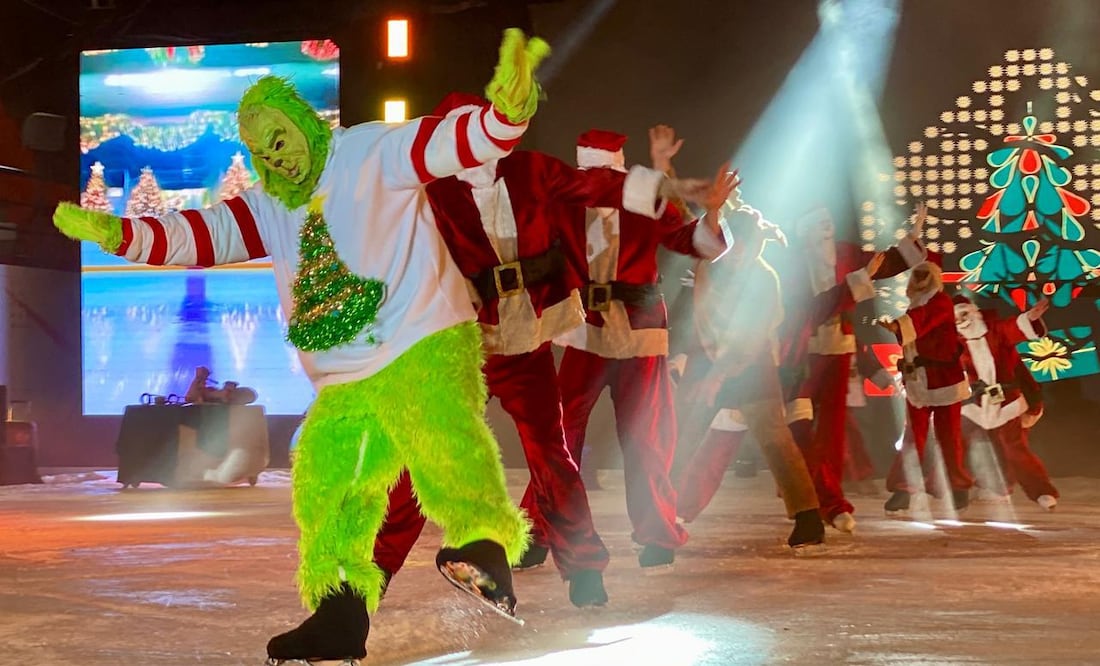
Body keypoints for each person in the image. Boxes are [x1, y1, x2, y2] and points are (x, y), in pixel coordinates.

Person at [53, 29, 549, 664]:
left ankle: (483, 547)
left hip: (421, 336)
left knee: (443, 435)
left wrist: (506, 113)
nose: (275, 157)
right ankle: (340, 611)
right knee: (328, 481)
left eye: (280, 139)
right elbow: (193, 236)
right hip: (345, 378)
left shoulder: (371, 151)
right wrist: (117, 235)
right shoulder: (268, 205)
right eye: (261, 150)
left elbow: (454, 141)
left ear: (305, 126)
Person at [365, 94, 721, 607]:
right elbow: (395, 248)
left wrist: (669, 186)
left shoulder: (531, 170)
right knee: (427, 453)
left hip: (528, 339)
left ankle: (584, 568)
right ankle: (374, 569)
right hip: (462, 344)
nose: (470, 143)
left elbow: (598, 185)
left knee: (554, 454)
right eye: (457, 134)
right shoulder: (432, 191)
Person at [551, 126, 735, 569]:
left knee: (645, 437)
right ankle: (543, 528)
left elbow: (698, 244)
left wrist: (711, 214)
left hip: (640, 331)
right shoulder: (566, 202)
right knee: (558, 433)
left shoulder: (645, 201)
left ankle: (656, 534)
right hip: (586, 329)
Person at [678, 205, 883, 547]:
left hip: (760, 373)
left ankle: (810, 518)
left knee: (779, 443)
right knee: (710, 442)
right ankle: (675, 512)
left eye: (745, 243)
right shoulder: (712, 272)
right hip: (730, 370)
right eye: (733, 243)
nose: (738, 251)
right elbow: (704, 321)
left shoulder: (764, 279)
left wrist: (719, 373)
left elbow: (760, 334)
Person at [782, 205, 926, 532]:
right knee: (798, 430)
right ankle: (806, 496)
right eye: (818, 222)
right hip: (800, 355)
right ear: (803, 231)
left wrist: (912, 238)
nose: (827, 226)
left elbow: (882, 263)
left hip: (839, 349)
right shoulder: (789, 264)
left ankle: (832, 504)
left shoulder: (846, 253)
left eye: (829, 220)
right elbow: (803, 310)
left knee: (833, 432)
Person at [878, 252, 974, 515]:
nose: (919, 279)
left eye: (924, 274)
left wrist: (899, 326)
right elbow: (914, 333)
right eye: (916, 274)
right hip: (919, 381)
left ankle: (957, 488)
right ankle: (903, 489)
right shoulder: (914, 305)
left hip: (944, 381)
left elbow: (923, 321)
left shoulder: (940, 302)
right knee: (913, 437)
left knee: (949, 437)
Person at [954, 294, 1058, 510]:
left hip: (1005, 403)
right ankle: (959, 490)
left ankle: (1042, 492)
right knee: (955, 445)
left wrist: (1030, 317)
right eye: (954, 318)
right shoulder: (952, 341)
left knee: (1014, 449)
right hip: (972, 406)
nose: (960, 321)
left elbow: (1014, 328)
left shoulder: (995, 330)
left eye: (963, 314)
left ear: (973, 311)